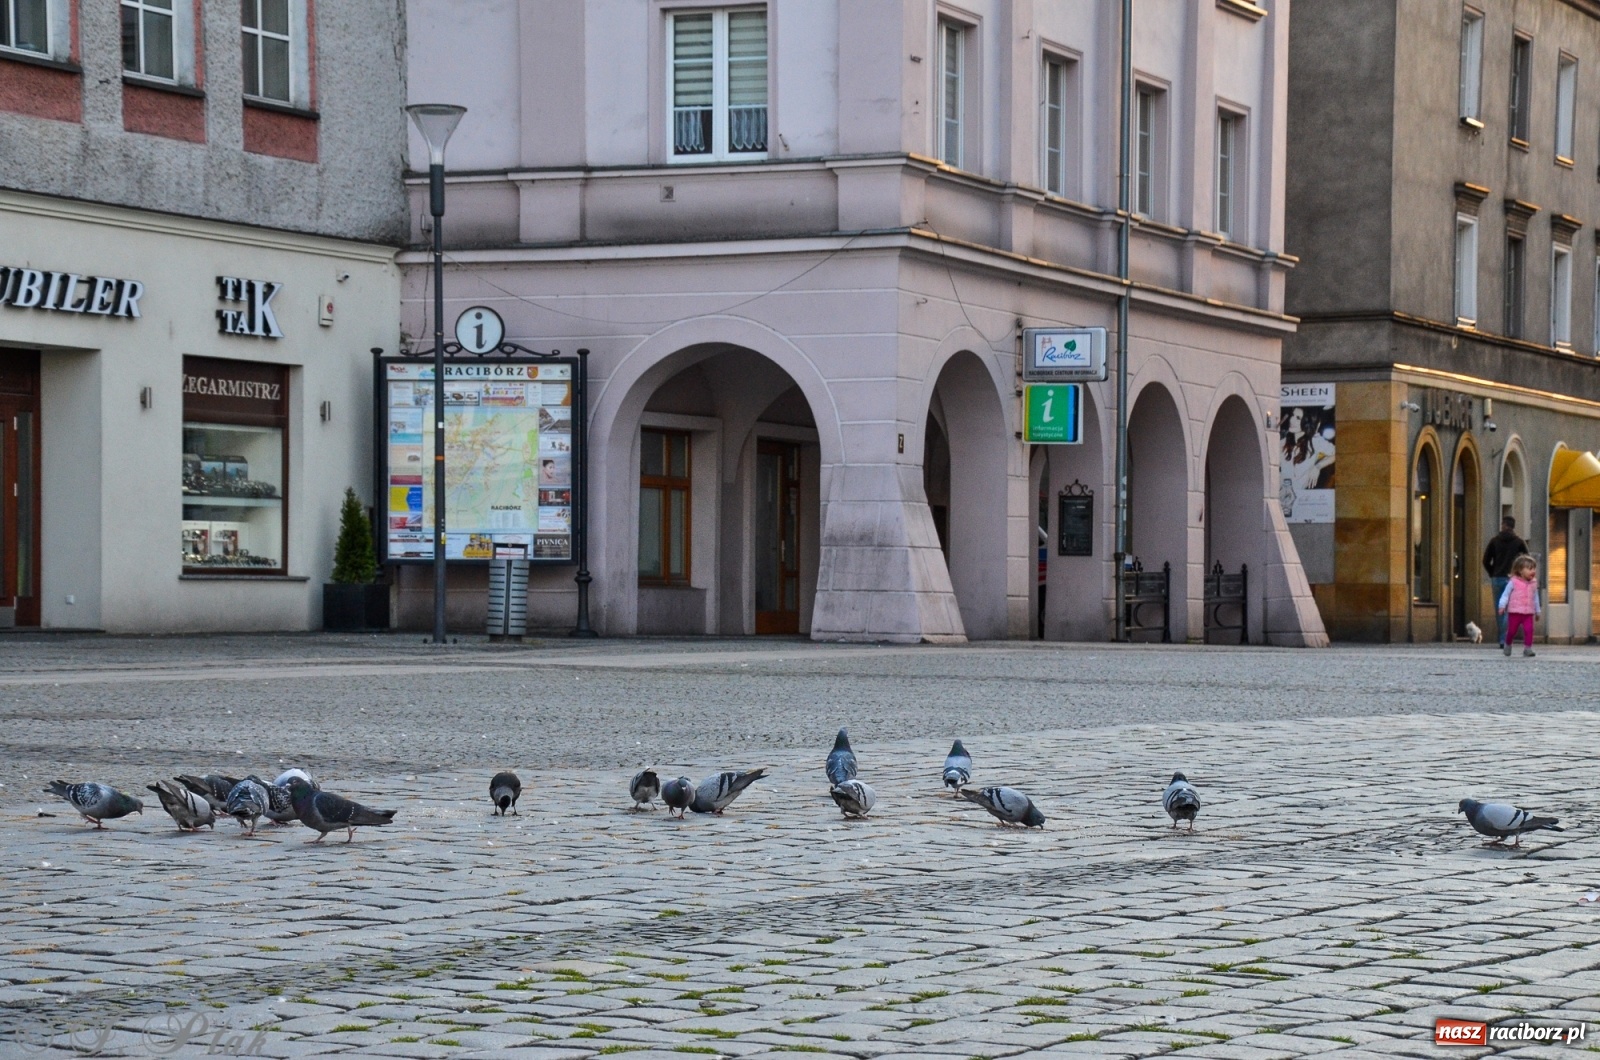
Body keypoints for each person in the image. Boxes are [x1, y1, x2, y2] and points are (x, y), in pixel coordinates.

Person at [1481, 516, 1529, 646]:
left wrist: (1493, 573)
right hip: (1513, 579)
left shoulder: (1494, 541)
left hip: (1497, 579)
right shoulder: (1519, 542)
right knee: (1510, 608)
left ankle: (1502, 638)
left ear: (1503, 525)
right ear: (1513, 526)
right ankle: (1506, 636)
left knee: (1499, 608)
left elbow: (1485, 561)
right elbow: (1527, 560)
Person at [1497, 555, 1541, 658]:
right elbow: (1505, 594)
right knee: (1512, 631)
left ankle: (1528, 648)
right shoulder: (1513, 582)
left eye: (1534, 568)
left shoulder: (1533, 583)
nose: (1533, 571)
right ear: (1520, 570)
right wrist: (1502, 606)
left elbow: (1536, 597)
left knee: (1529, 630)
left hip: (1528, 612)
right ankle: (1508, 644)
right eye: (1530, 569)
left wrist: (1537, 611)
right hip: (1515, 611)